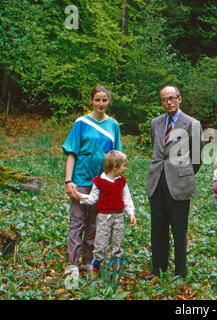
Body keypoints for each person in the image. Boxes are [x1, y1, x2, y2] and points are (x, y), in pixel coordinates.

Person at [145, 85, 203, 284]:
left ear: (180, 99)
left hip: (179, 184)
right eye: (164, 99)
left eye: (172, 98)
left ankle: (180, 272)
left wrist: (184, 173)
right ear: (161, 102)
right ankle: (158, 268)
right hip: (157, 182)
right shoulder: (155, 123)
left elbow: (197, 157)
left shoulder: (192, 124)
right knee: (158, 228)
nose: (168, 102)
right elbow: (157, 148)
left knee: (179, 230)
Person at [63, 85, 122, 277]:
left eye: (104, 100)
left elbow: (117, 158)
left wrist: (116, 184)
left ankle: (88, 261)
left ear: (108, 102)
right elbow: (72, 153)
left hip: (102, 183)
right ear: (91, 101)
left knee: (94, 224)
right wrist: (68, 180)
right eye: (97, 99)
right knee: (77, 222)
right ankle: (72, 265)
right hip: (80, 179)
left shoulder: (113, 125)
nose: (101, 103)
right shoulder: (81, 123)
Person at [76, 150, 136, 282]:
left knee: (117, 243)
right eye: (124, 165)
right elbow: (93, 198)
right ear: (115, 166)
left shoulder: (122, 182)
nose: (125, 168)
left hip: (118, 217)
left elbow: (127, 198)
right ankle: (95, 270)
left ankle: (115, 270)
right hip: (103, 218)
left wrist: (130, 213)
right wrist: (81, 196)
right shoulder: (99, 182)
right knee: (100, 244)